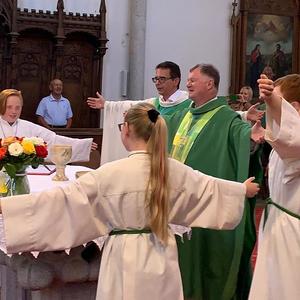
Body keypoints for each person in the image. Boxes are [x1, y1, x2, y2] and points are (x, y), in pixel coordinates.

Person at [0, 102, 260, 300]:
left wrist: (8, 207)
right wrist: (241, 190)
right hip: (161, 249)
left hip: (123, 254)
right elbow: (208, 188)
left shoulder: (112, 173)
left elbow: (63, 200)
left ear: (127, 131)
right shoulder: (173, 169)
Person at [165, 64, 264, 300]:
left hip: (203, 200)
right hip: (177, 200)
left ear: (210, 84)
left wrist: (249, 137)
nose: (187, 83)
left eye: (193, 80)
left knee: (203, 254)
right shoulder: (182, 114)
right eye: (187, 80)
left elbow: (241, 133)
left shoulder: (225, 117)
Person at [249, 74, 300, 300]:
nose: (269, 106)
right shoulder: (284, 142)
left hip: (292, 232)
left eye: (275, 102)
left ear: (294, 108)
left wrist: (273, 101)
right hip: (277, 223)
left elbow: (292, 140)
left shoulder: (295, 140)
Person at [87, 61, 191, 164]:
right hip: (153, 156)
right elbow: (128, 105)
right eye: (156, 79)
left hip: (176, 157)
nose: (157, 83)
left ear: (175, 81)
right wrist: (107, 105)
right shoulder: (154, 103)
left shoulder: (188, 104)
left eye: (162, 79)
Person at [0, 89, 97, 162]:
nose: (14, 111)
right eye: (9, 107)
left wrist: (83, 145)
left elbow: (53, 140)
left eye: (18, 107)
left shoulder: (29, 127)